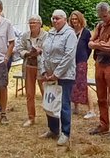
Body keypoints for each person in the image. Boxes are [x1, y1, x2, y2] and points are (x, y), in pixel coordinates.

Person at [39, 9, 77, 146]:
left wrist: (57, 74)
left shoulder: (70, 34)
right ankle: (53, 129)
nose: (55, 21)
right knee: (50, 102)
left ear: (65, 20)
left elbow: (69, 56)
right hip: (50, 75)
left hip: (64, 75)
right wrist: (44, 71)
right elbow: (44, 53)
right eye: (53, 18)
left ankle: (65, 133)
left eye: (57, 18)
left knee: (63, 104)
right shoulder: (50, 33)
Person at [88, 2, 110, 138]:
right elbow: (89, 43)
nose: (103, 19)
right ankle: (103, 125)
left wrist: (96, 44)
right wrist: (99, 44)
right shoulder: (100, 25)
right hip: (100, 62)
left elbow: (109, 47)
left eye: (104, 16)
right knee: (101, 97)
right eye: (101, 16)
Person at [16, 16, 47, 127]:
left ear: (40, 24)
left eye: (34, 22)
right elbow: (20, 49)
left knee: (45, 92)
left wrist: (40, 51)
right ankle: (31, 117)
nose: (32, 25)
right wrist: (28, 53)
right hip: (29, 66)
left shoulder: (46, 35)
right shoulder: (25, 35)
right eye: (30, 23)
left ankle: (51, 117)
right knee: (29, 94)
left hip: (42, 68)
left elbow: (49, 50)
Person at [68, 10, 93, 116]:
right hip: (71, 61)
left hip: (81, 61)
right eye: (73, 19)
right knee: (73, 83)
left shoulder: (86, 32)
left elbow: (89, 48)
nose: (74, 21)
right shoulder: (70, 31)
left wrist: (84, 57)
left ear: (80, 19)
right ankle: (76, 107)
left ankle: (91, 109)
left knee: (83, 84)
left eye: (76, 19)